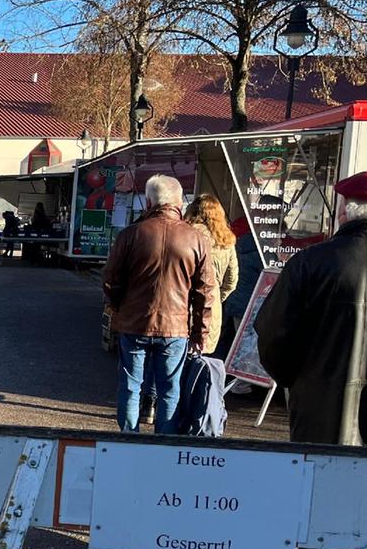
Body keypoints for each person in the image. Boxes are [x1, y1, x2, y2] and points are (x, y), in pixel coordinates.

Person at [255, 171, 367, 549]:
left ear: (345, 210)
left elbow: (271, 334)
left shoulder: (309, 263)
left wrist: (293, 380)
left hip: (321, 402)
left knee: (320, 492)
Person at [102, 175, 215, 434]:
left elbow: (110, 279)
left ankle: (129, 436)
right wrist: (200, 332)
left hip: (134, 323)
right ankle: (164, 441)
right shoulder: (197, 239)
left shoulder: (130, 235)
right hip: (175, 327)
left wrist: (119, 307)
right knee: (170, 388)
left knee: (130, 385)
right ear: (179, 202)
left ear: (149, 201)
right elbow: (204, 292)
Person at [183, 195, 239, 353]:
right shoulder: (226, 240)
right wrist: (215, 297)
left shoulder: (185, 234)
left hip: (183, 304)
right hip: (212, 308)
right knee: (201, 360)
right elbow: (231, 281)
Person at [212, 215, 262, 366]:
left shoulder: (238, 243)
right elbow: (231, 278)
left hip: (235, 302)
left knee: (234, 342)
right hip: (249, 304)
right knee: (245, 347)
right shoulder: (260, 254)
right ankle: (241, 383)